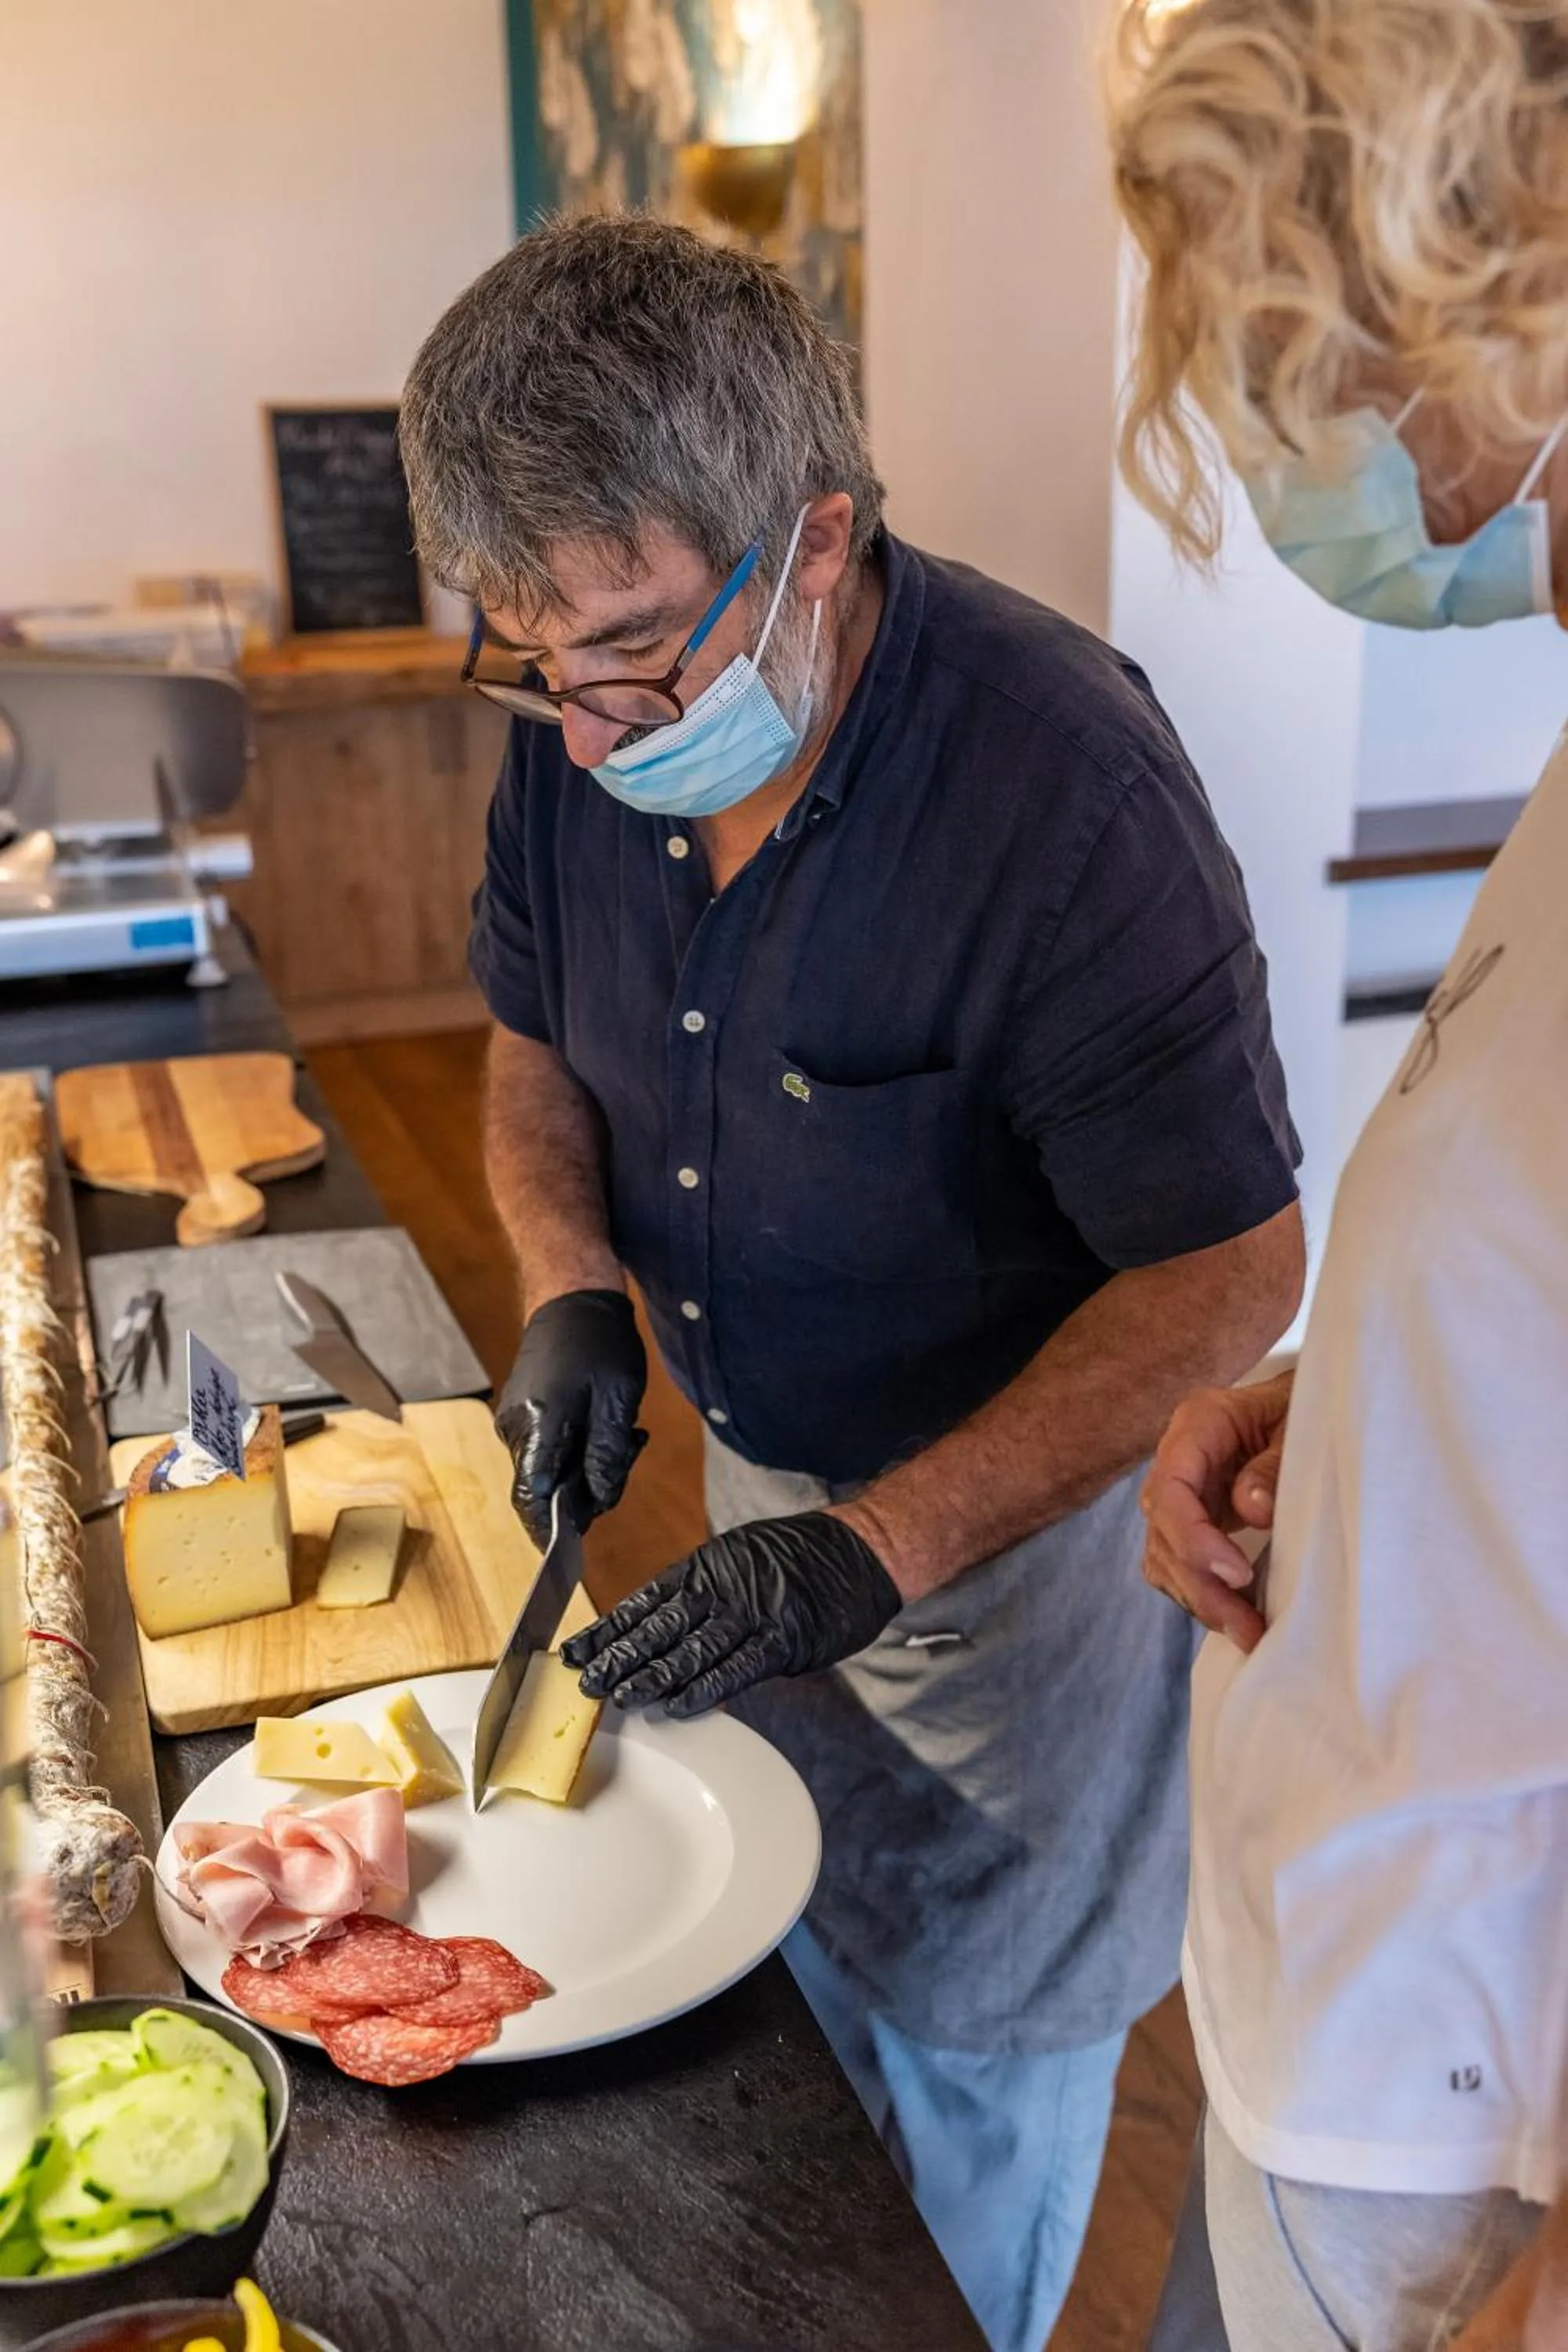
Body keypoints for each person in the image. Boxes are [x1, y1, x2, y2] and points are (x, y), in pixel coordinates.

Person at [399, 212, 1305, 2351]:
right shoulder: (586, 727)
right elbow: (533, 1039)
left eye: (632, 651)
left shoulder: (1061, 792)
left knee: (962, 2114)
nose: (592, 728)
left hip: (1026, 1573)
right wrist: (569, 1283)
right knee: (771, 2030)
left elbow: (1236, 1267)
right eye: (532, 661)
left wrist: (882, 1548)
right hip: (761, 1483)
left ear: (812, 541)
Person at [1107, 2, 1568, 2344]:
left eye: (1354, 387)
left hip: (1458, 2171)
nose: (1371, 474)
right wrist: (1370, 1408)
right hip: (1322, 2006)